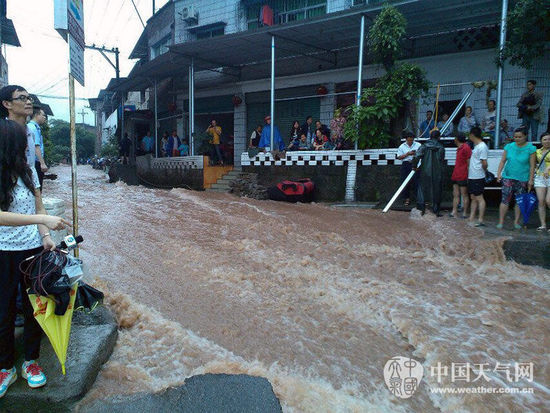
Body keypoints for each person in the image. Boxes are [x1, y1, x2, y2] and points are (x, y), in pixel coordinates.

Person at [0, 119, 71, 398]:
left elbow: (38, 204)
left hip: (33, 251)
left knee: (35, 310)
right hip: (3, 253)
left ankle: (31, 361)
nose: (30, 145)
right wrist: (42, 219)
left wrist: (45, 237)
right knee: (3, 312)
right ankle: (6, 367)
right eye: (25, 140)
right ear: (12, 144)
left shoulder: (27, 170)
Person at [496, 127, 536, 229]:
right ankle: (501, 221)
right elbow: (502, 161)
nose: (517, 139)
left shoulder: (531, 148)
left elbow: (532, 166)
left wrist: (531, 180)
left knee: (519, 201)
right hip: (508, 176)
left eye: (519, 137)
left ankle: (516, 222)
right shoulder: (509, 147)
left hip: (522, 178)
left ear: (525, 136)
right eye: (515, 137)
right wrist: (499, 173)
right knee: (505, 199)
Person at [0, 85, 36, 168]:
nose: (29, 102)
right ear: (7, 104)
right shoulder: (3, 132)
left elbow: (31, 166)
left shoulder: (30, 131)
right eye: (22, 98)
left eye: (29, 98)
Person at [412, 129, 445, 215]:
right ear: (438, 137)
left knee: (423, 189)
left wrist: (414, 167)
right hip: (438, 172)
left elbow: (416, 156)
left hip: (425, 171)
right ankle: (436, 210)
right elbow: (442, 160)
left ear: (430, 137)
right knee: (437, 190)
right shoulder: (441, 147)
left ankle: (422, 208)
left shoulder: (424, 146)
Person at [467, 127, 489, 226]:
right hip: (473, 175)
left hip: (478, 175)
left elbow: (484, 162)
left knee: (479, 197)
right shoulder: (477, 146)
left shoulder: (482, 146)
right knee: (473, 197)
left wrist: (484, 171)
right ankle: (471, 217)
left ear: (472, 135)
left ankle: (480, 219)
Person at [396, 131, 421, 206]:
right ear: (406, 139)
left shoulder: (418, 145)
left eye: (411, 140)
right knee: (405, 182)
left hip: (416, 164)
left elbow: (423, 155)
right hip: (406, 164)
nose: (410, 142)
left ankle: (419, 199)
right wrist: (407, 154)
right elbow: (399, 157)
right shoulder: (402, 146)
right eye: (409, 140)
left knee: (417, 182)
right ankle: (406, 199)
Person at [450, 134, 472, 218]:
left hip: (462, 173)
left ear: (457, 139)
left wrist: (469, 174)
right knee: (456, 194)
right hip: (456, 173)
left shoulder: (465, 148)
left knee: (464, 194)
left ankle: (464, 213)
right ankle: (454, 211)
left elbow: (468, 162)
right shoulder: (461, 148)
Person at [27, 108, 48, 188]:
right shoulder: (33, 128)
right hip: (35, 162)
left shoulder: (34, 127)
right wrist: (42, 163)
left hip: (33, 162)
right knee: (37, 187)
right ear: (36, 115)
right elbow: (36, 146)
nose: (45, 117)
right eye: (43, 115)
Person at [534, 133, 550, 231]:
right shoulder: (537, 151)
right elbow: (534, 163)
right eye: (545, 139)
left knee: (549, 201)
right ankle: (543, 225)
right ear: (541, 141)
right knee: (541, 201)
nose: (547, 141)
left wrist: (548, 168)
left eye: (549, 139)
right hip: (540, 177)